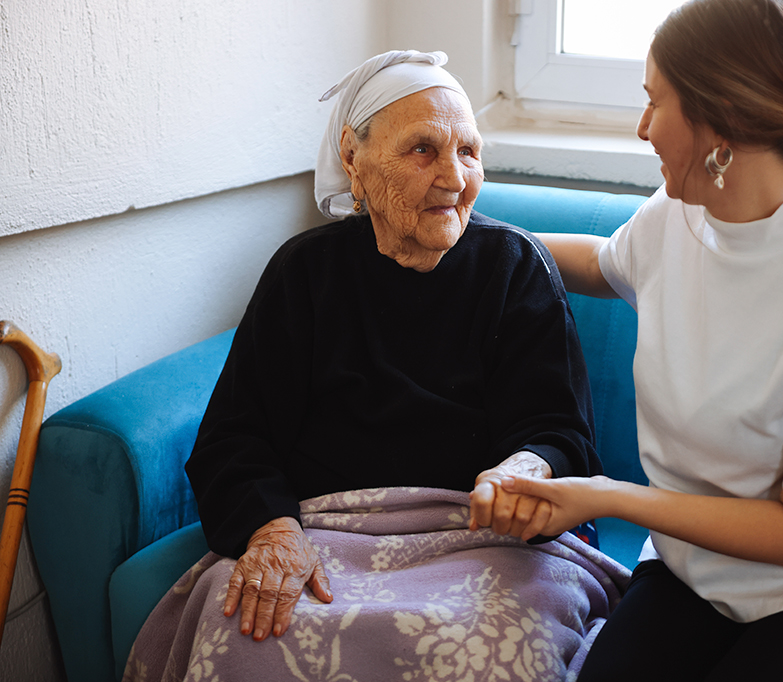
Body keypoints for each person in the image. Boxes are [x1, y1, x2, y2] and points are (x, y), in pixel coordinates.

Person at [495, 1, 783, 680]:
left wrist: (603, 494)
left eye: (655, 102)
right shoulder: (679, 216)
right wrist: (477, 240)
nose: (643, 127)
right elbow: (604, 263)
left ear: (721, 122)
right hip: (697, 571)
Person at [126, 50, 626, 682]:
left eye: (469, 152)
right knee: (246, 633)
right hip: (324, 536)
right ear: (353, 160)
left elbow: (559, 430)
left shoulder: (515, 267)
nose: (454, 177)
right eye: (423, 150)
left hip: (483, 542)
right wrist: (273, 530)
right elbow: (235, 435)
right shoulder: (304, 272)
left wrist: (524, 469)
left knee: (496, 653)